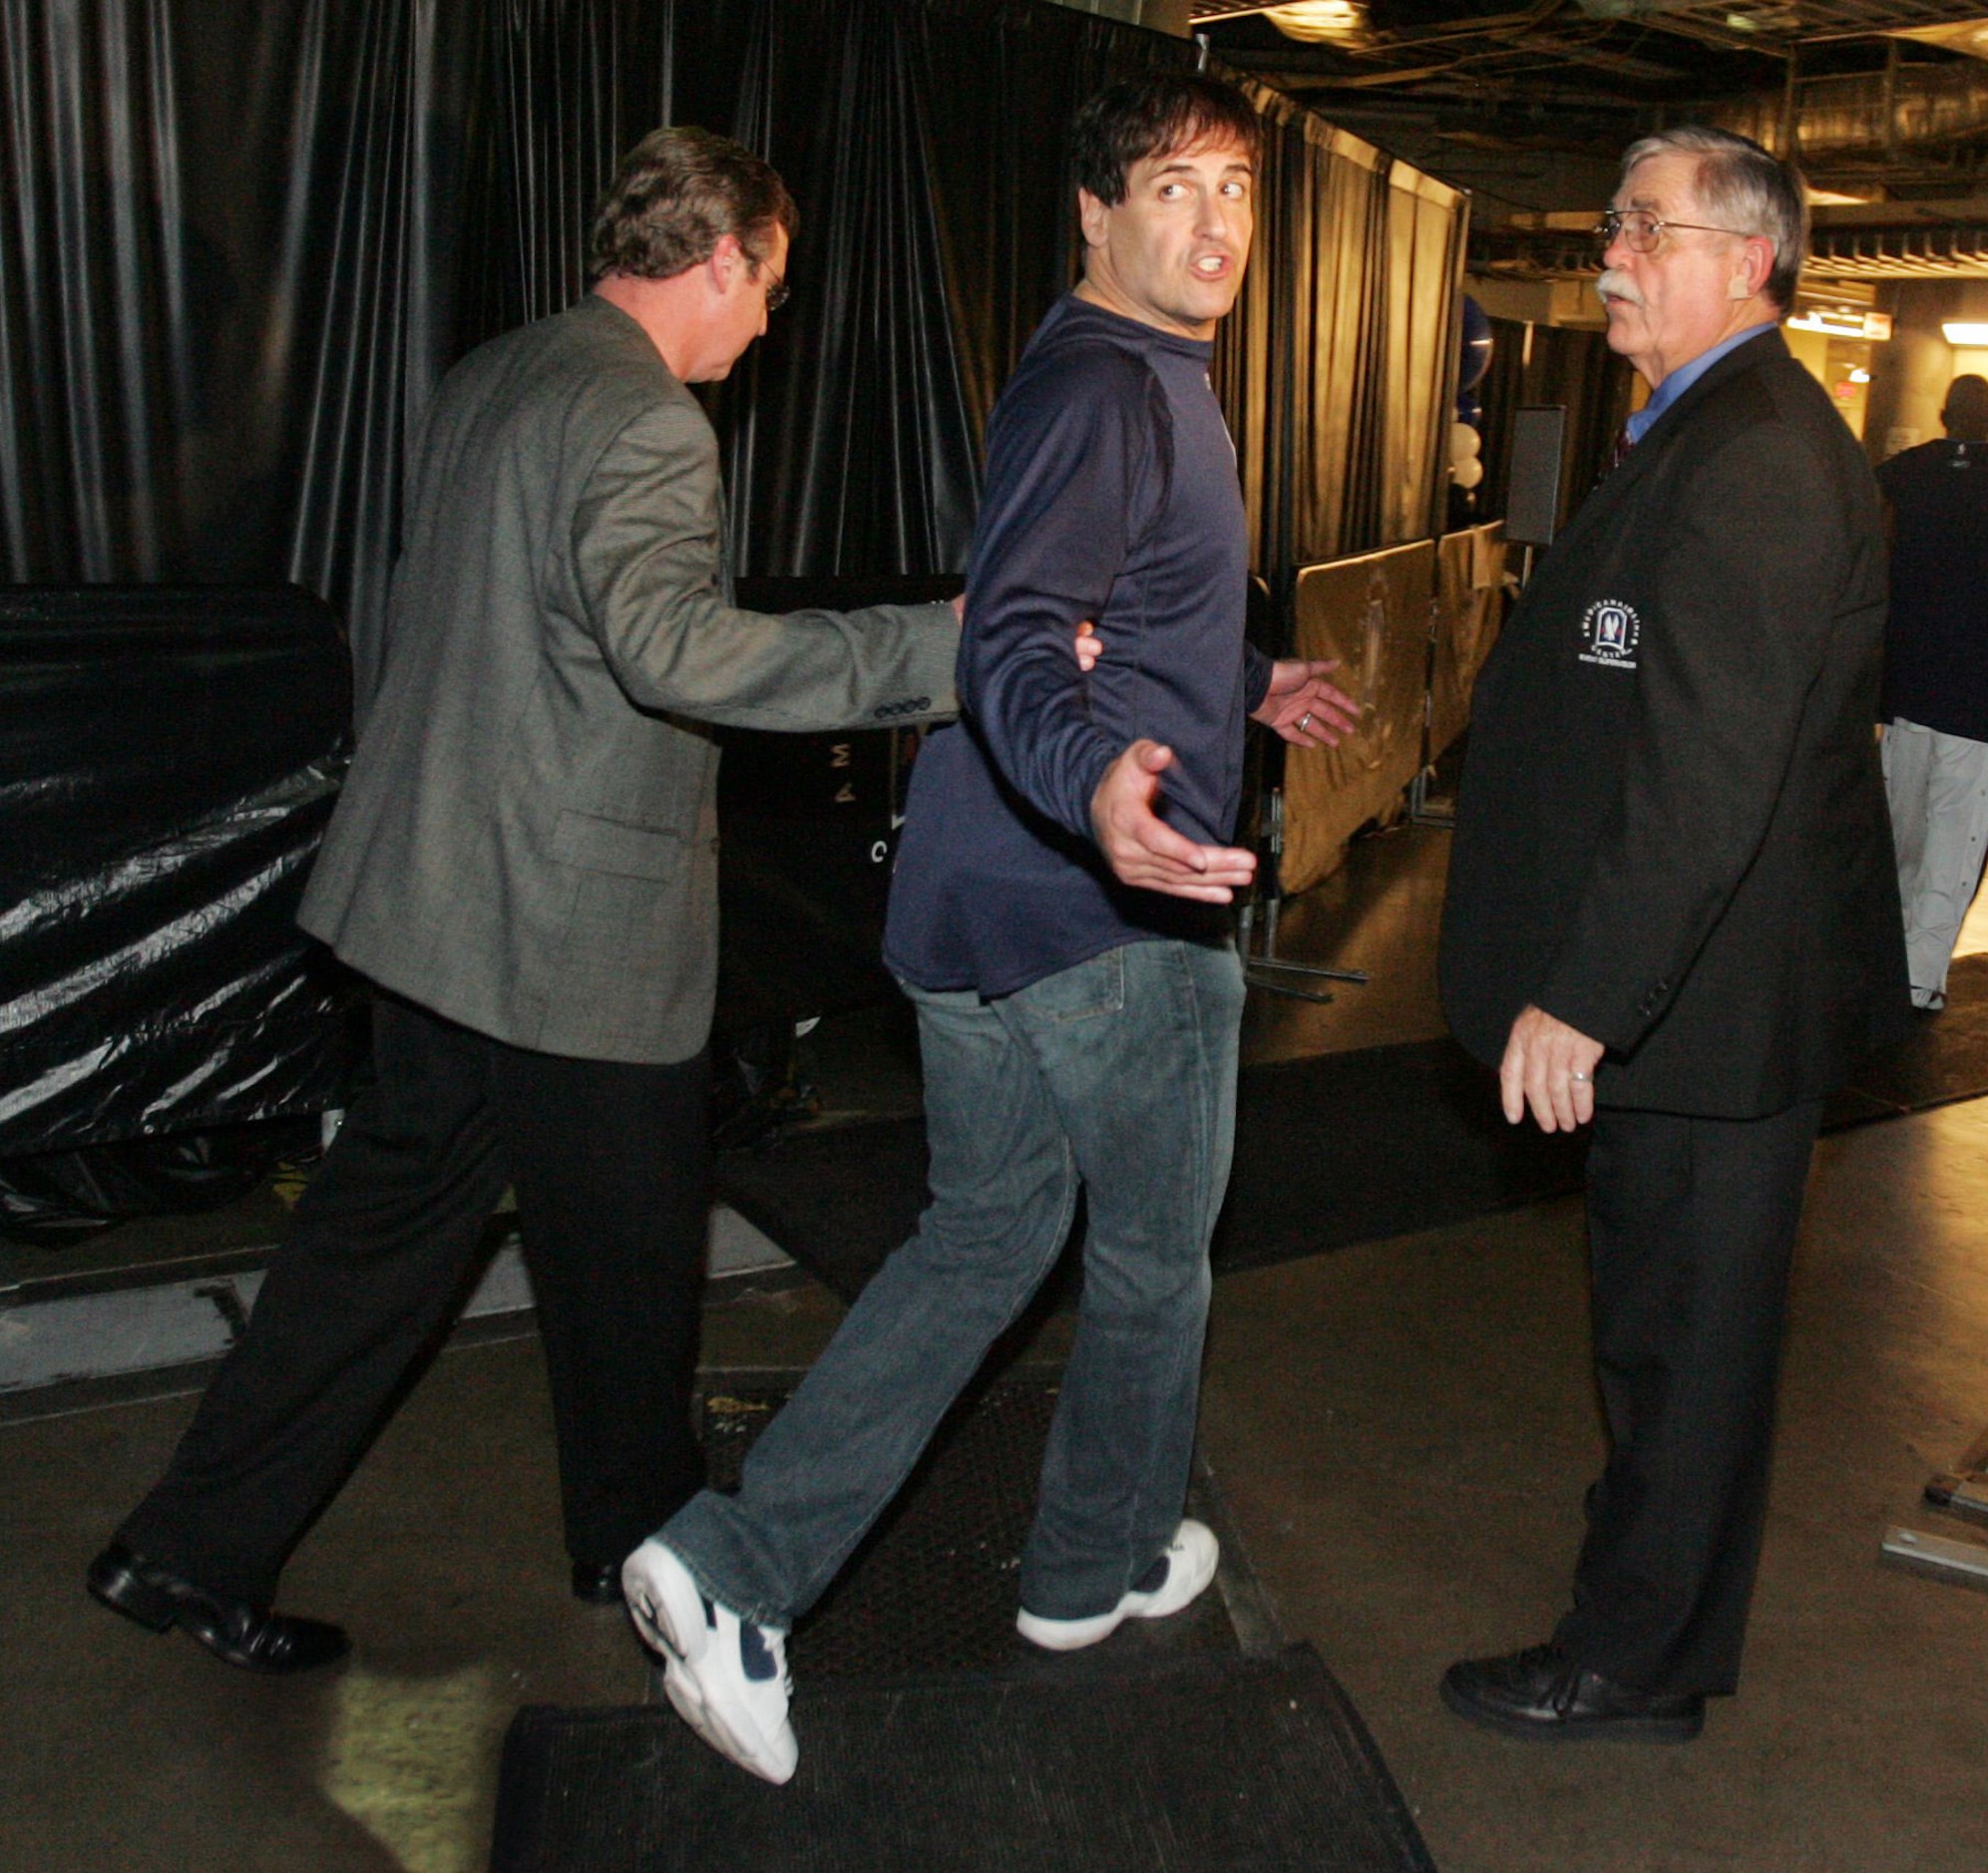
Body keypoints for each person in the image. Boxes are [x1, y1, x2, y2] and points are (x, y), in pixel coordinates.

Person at [88, 127, 973, 1675]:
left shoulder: (499, 370)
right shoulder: (648, 423)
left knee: (379, 1247)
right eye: (770, 286)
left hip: (435, 900)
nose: (771, 322)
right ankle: (649, 1562)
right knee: (630, 1264)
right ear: (718, 262)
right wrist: (933, 649)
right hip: (567, 931)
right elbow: (675, 655)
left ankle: (182, 1546)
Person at [620, 71, 1358, 1786]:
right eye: (1172, 188)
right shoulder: (1111, 384)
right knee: (1154, 1253)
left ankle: (744, 1566)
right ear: (1095, 216)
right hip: (1095, 905)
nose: (1213, 224)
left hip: (977, 896)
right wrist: (1105, 782)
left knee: (983, 1239)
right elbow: (1019, 639)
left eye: (1234, 193)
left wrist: (1246, 679)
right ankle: (1082, 1565)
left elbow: (1108, 607)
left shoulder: (1117, 376)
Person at [1435, 124, 1907, 1743]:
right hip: (1690, 1013)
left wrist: (1586, 994)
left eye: (1642, 225)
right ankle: (1648, 1628)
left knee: (1681, 1356)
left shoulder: (1763, 454)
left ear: (1744, 259)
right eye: (1610, 220)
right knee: (1658, 1337)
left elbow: (1706, 766)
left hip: (1706, 1018)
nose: (1609, 253)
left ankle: (1628, 1661)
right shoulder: (1701, 430)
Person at [1875, 372, 1988, 1009]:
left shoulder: (1899, 476)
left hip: (1904, 689)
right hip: (1979, 697)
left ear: (1942, 413)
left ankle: (1878, 965)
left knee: (1898, 836)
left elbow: (1872, 566)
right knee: (1954, 846)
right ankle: (1920, 981)